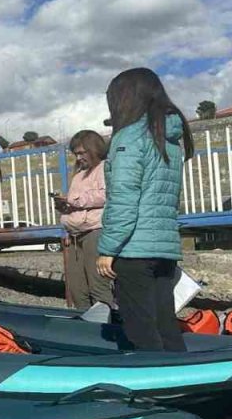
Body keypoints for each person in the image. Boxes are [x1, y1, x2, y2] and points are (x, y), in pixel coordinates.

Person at [95, 68, 194, 352]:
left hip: (133, 249)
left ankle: (157, 389)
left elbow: (124, 200)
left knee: (140, 329)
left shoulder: (128, 138)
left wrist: (108, 249)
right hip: (164, 248)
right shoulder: (168, 138)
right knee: (165, 325)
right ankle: (187, 383)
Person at [55, 130, 113, 310]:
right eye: (76, 154)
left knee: (98, 287)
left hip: (95, 230)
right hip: (75, 234)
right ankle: (87, 329)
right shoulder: (79, 174)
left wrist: (74, 200)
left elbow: (106, 195)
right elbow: (77, 202)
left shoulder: (105, 168)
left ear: (94, 149)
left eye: (82, 152)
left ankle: (110, 328)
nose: (79, 157)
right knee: (76, 289)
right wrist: (64, 206)